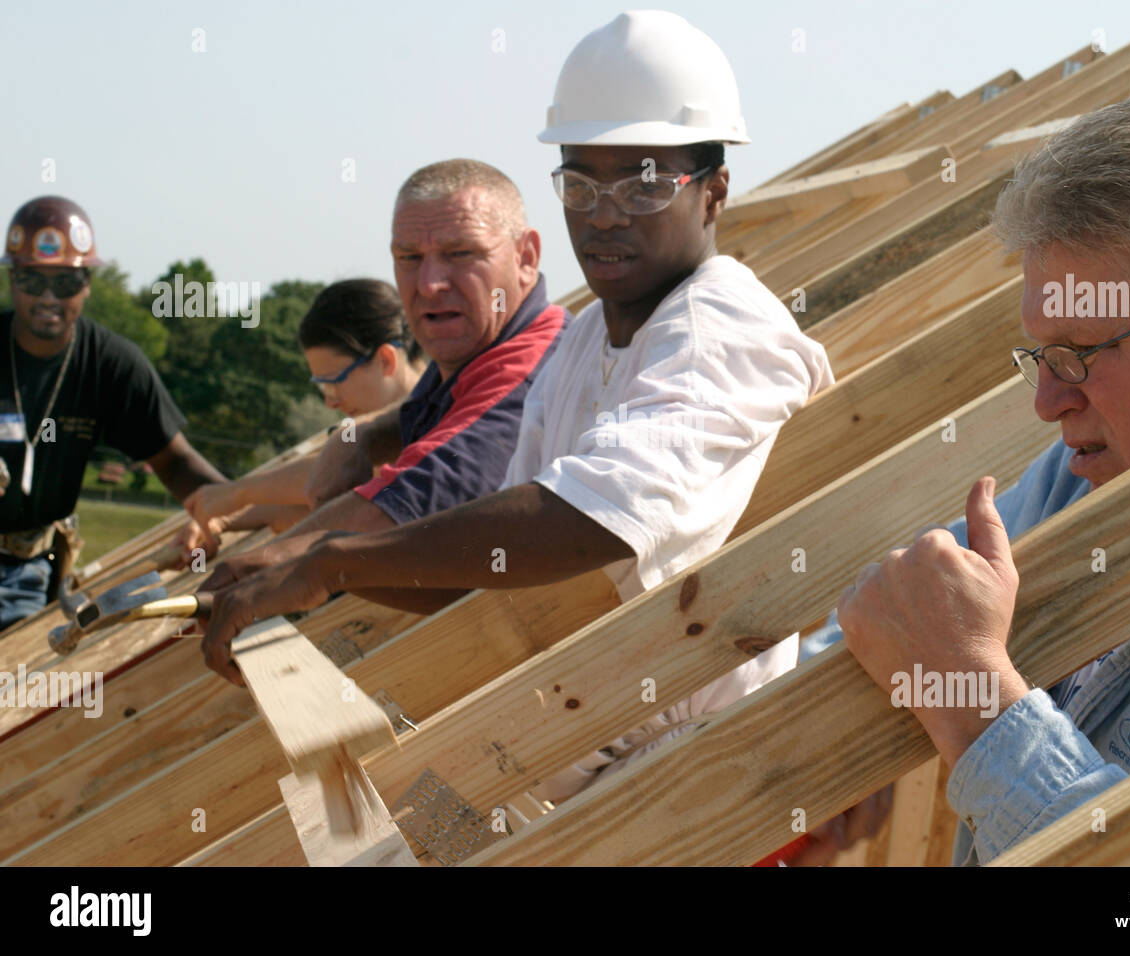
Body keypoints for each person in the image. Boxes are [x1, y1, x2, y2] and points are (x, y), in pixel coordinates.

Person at [199, 11, 833, 803]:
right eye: (581, 182)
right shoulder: (584, 342)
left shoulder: (722, 329)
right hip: (564, 765)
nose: (604, 213)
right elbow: (495, 573)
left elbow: (587, 519)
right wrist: (319, 575)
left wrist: (327, 560)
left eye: (644, 181)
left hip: (693, 787)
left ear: (713, 191)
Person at [814, 88, 1130, 866]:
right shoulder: (1089, 475)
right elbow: (893, 626)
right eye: (1041, 356)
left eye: (1080, 352)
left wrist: (973, 706)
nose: (1047, 402)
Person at [187, 159, 567, 572]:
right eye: (408, 257)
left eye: (461, 253)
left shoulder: (528, 370)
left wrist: (237, 581)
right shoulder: (468, 355)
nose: (429, 284)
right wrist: (362, 437)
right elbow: (413, 435)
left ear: (525, 257)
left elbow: (403, 503)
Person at [0, 196, 227, 632]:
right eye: (32, 279)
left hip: (28, 573)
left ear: (87, 283)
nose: (48, 297)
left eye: (65, 283)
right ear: (13, 279)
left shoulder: (111, 364)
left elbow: (176, 461)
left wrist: (239, 508)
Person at [176, 278, 426, 552]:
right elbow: (313, 506)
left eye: (334, 381)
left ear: (386, 360)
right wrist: (224, 516)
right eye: (321, 386)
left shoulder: (437, 417)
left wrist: (238, 494)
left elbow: (331, 475)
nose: (330, 402)